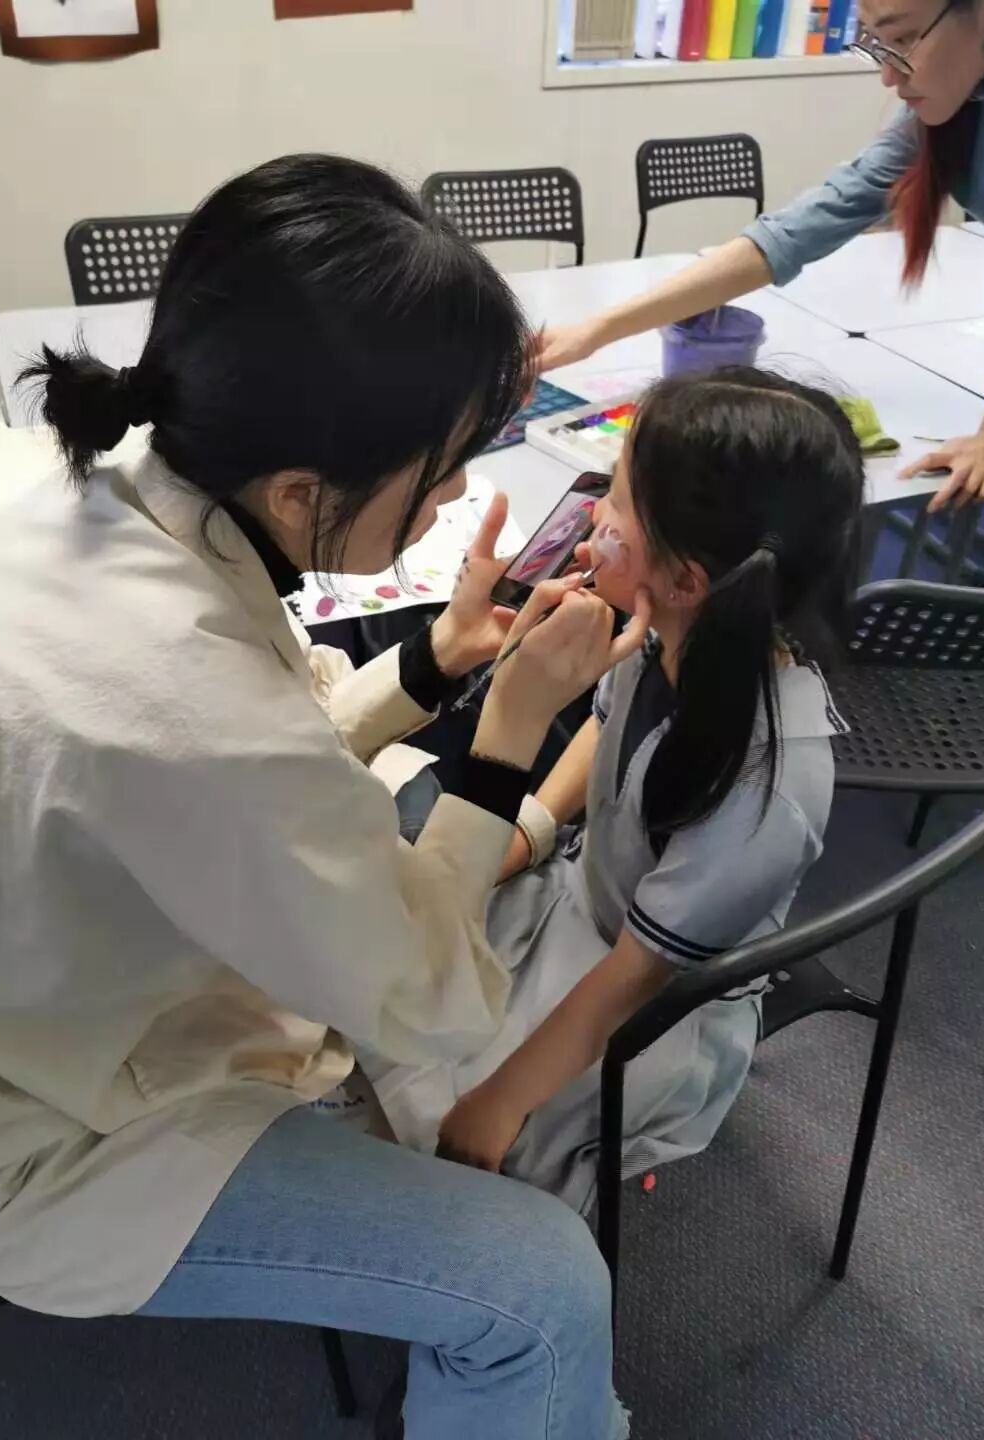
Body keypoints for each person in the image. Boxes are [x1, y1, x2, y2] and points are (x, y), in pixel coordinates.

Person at [0, 156, 649, 1440]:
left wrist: (430, 664)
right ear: (304, 493)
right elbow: (426, 996)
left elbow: (249, 745)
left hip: (25, 991)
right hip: (11, 1139)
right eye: (438, 473)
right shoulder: (181, 700)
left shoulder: (102, 484)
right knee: (540, 1289)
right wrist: (512, 735)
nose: (451, 501)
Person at [366, 369, 864, 1212]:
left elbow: (636, 977)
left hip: (645, 1003)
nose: (593, 514)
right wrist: (527, 828)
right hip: (577, 901)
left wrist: (503, 1101)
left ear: (686, 580)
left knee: (462, 1130)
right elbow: (606, 728)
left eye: (619, 506)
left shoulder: (769, 789)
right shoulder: (664, 632)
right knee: (394, 977)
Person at [537, 0, 984, 513]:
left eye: (906, 39)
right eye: (876, 43)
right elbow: (792, 233)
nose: (889, 76)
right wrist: (597, 330)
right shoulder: (951, 108)